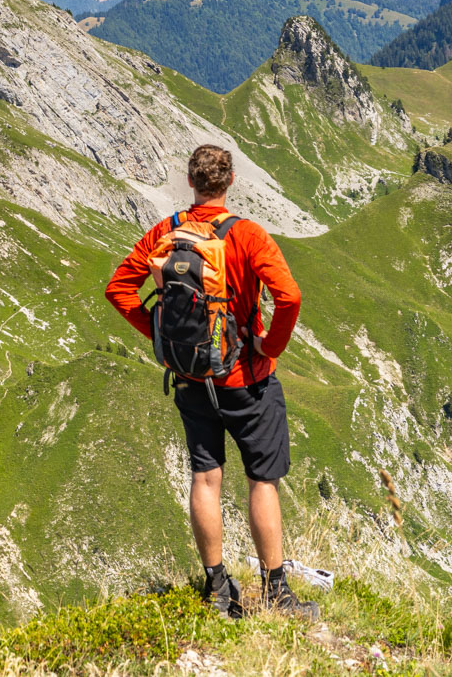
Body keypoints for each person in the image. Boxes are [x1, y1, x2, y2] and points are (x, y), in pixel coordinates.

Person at [105, 144, 316, 619]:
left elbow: (118, 289)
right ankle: (277, 594)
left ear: (190, 182)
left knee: (206, 476)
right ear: (232, 181)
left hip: (191, 378)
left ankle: (218, 589)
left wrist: (162, 338)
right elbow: (290, 296)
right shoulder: (248, 236)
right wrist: (269, 346)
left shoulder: (165, 233)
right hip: (247, 379)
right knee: (262, 481)